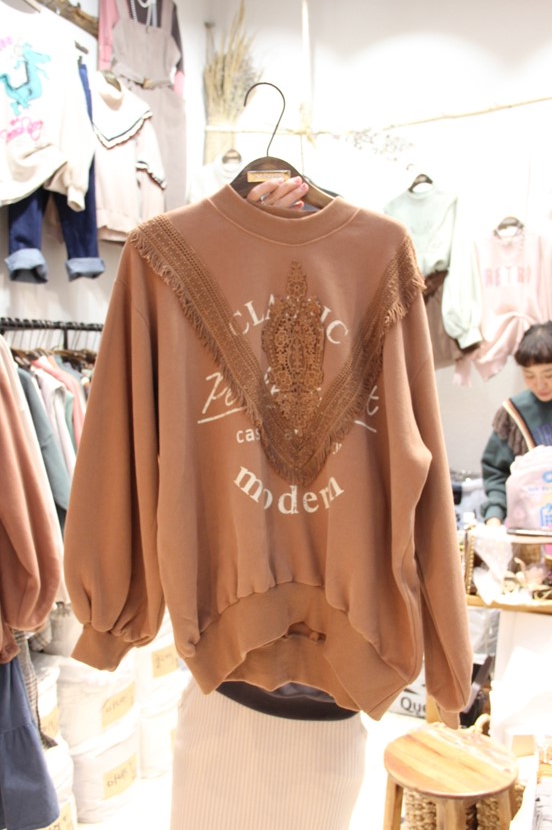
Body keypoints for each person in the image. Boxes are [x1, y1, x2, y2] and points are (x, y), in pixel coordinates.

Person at [63, 170, 472, 830]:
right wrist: (109, 618)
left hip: (275, 659)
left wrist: (449, 658)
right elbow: (122, 443)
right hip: (280, 657)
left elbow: (418, 446)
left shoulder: (384, 255)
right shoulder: (160, 258)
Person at [481, 321, 552, 526]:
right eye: (529, 375)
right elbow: (496, 474)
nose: (540, 384)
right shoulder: (514, 414)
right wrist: (494, 516)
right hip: (530, 528)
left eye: (549, 374)